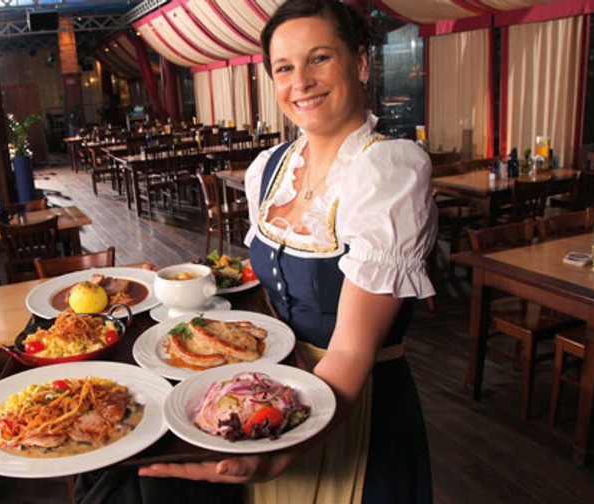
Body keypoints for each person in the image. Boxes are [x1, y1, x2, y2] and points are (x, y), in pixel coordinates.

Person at [138, 1, 436, 502]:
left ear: (360, 62)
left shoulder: (388, 172)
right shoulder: (270, 168)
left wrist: (284, 446)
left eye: (319, 58)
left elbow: (348, 351)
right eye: (284, 67)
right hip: (274, 398)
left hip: (352, 407)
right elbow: (269, 292)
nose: (301, 81)